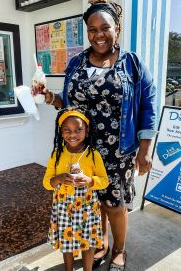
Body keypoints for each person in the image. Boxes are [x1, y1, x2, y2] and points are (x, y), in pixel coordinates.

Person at [44, 0, 157, 270]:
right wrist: (50, 97)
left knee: (114, 202)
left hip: (119, 149)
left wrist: (144, 151)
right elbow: (69, 104)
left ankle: (119, 249)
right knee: (93, 201)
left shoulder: (131, 64)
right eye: (92, 30)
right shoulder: (77, 63)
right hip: (83, 150)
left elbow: (148, 105)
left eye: (105, 28)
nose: (99, 35)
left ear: (117, 28)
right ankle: (100, 243)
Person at [43, 107, 109, 271]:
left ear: (86, 130)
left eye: (78, 130)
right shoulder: (56, 154)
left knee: (88, 241)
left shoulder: (93, 155)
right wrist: (58, 179)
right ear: (61, 132)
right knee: (68, 242)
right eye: (67, 130)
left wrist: (89, 180)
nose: (73, 135)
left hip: (87, 207)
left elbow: (104, 181)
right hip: (64, 206)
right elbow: (46, 183)